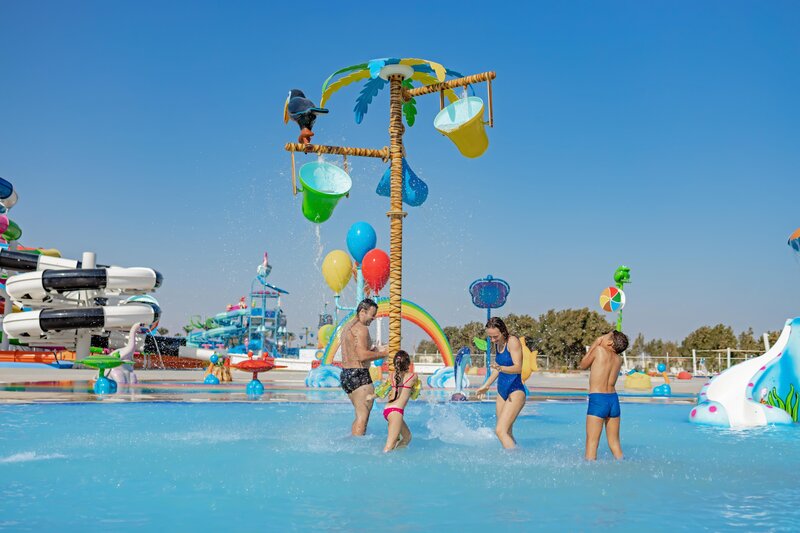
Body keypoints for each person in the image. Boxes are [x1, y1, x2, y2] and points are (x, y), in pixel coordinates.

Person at [475, 317, 526, 449]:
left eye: (495, 337)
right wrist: (486, 385)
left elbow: (518, 368)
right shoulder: (498, 344)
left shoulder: (512, 341)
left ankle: (515, 458)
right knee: (506, 431)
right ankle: (515, 455)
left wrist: (502, 368)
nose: (492, 340)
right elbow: (497, 369)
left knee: (500, 430)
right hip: (502, 392)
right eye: (490, 337)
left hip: (515, 391)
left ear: (503, 332)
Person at [578, 330, 630, 460]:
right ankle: (623, 463)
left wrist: (595, 342)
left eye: (605, 336)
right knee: (615, 443)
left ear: (610, 342)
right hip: (613, 400)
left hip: (598, 399)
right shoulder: (618, 359)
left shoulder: (599, 350)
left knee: (592, 443)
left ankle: (589, 471)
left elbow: (583, 365)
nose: (601, 337)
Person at [340, 298, 387, 436]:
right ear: (362, 311)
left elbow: (356, 352)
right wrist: (385, 353)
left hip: (346, 375)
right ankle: (357, 445)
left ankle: (353, 440)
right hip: (359, 375)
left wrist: (377, 350)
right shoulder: (362, 329)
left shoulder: (347, 327)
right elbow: (362, 356)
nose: (374, 318)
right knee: (363, 418)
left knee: (359, 414)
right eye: (372, 314)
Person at [374, 350, 419, 452]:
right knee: (389, 446)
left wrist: (372, 396)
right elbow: (415, 395)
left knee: (407, 437)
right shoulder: (413, 376)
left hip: (388, 410)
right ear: (408, 363)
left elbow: (383, 390)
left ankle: (395, 454)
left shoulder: (391, 376)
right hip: (396, 412)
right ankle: (382, 459)